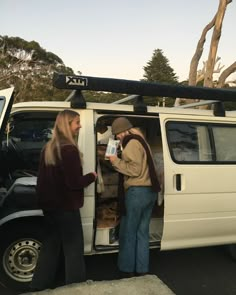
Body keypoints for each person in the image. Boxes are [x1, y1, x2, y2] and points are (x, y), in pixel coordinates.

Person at [30, 110, 97, 291]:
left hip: (50, 209)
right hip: (66, 209)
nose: (80, 126)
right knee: (73, 252)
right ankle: (75, 290)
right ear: (67, 125)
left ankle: (38, 287)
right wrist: (92, 176)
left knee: (50, 249)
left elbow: (41, 181)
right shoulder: (69, 150)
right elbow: (74, 183)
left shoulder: (49, 147)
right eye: (77, 122)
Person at [108, 117, 160, 277]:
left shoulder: (130, 143)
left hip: (137, 192)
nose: (116, 138)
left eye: (117, 135)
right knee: (142, 232)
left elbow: (134, 170)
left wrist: (115, 160)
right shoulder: (142, 141)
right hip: (150, 192)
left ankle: (126, 269)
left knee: (129, 231)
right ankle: (142, 269)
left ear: (122, 132)